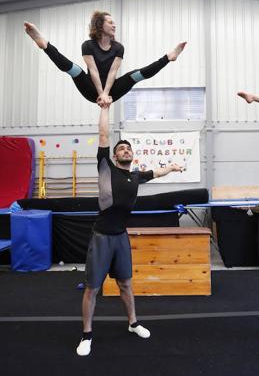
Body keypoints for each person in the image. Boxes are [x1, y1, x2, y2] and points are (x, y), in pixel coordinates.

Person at [76, 106, 183, 356]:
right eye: (120, 148)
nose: (125, 150)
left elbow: (156, 172)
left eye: (128, 148)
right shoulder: (106, 168)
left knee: (126, 283)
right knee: (93, 287)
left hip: (121, 238)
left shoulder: (135, 177)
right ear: (113, 157)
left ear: (132, 155)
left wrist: (172, 167)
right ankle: (86, 335)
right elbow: (103, 135)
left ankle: (133, 323)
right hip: (101, 238)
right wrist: (105, 109)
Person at [24, 11, 186, 107]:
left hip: (112, 90)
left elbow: (113, 72)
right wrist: (100, 94)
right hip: (90, 89)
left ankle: (168, 58)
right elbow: (93, 70)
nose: (114, 25)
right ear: (100, 26)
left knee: (135, 75)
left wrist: (107, 94)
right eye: (110, 22)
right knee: (75, 70)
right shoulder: (87, 45)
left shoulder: (118, 48)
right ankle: (45, 45)